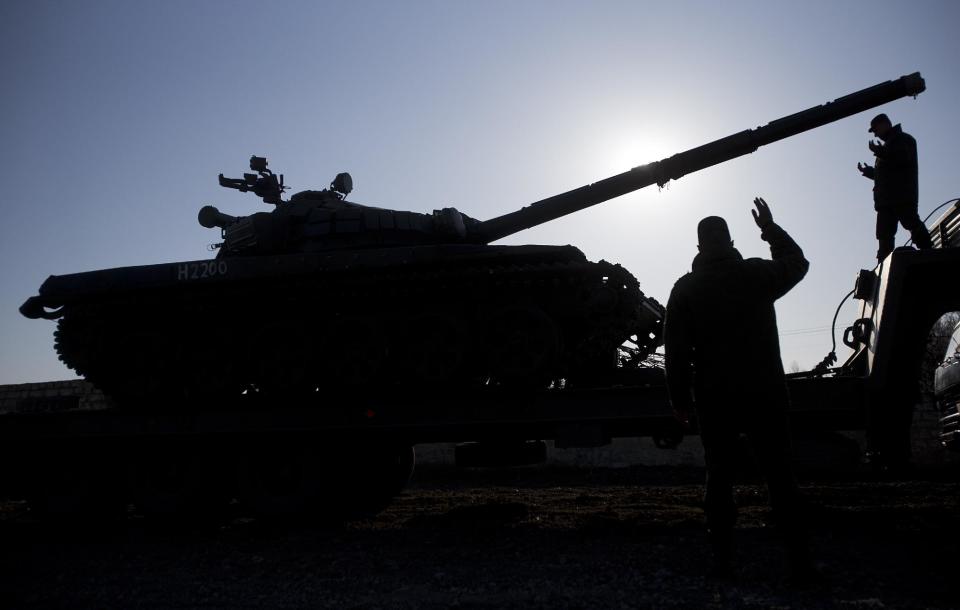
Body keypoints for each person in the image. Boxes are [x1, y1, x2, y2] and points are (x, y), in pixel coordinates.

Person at [664, 197, 815, 580]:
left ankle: (723, 561)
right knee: (781, 475)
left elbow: (676, 355)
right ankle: (800, 562)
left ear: (699, 248)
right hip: (766, 393)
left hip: (715, 399)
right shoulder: (757, 275)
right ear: (730, 242)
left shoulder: (685, 290)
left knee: (719, 475)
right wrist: (769, 227)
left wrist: (680, 402)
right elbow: (798, 263)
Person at [857, 113, 933, 262]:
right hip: (886, 201)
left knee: (911, 223)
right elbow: (886, 173)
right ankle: (883, 265)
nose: (875, 133)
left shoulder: (904, 139)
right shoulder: (887, 146)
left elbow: (902, 159)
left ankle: (929, 252)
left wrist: (881, 152)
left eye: (875, 129)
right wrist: (869, 172)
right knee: (884, 235)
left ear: (885, 124)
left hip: (901, 196)